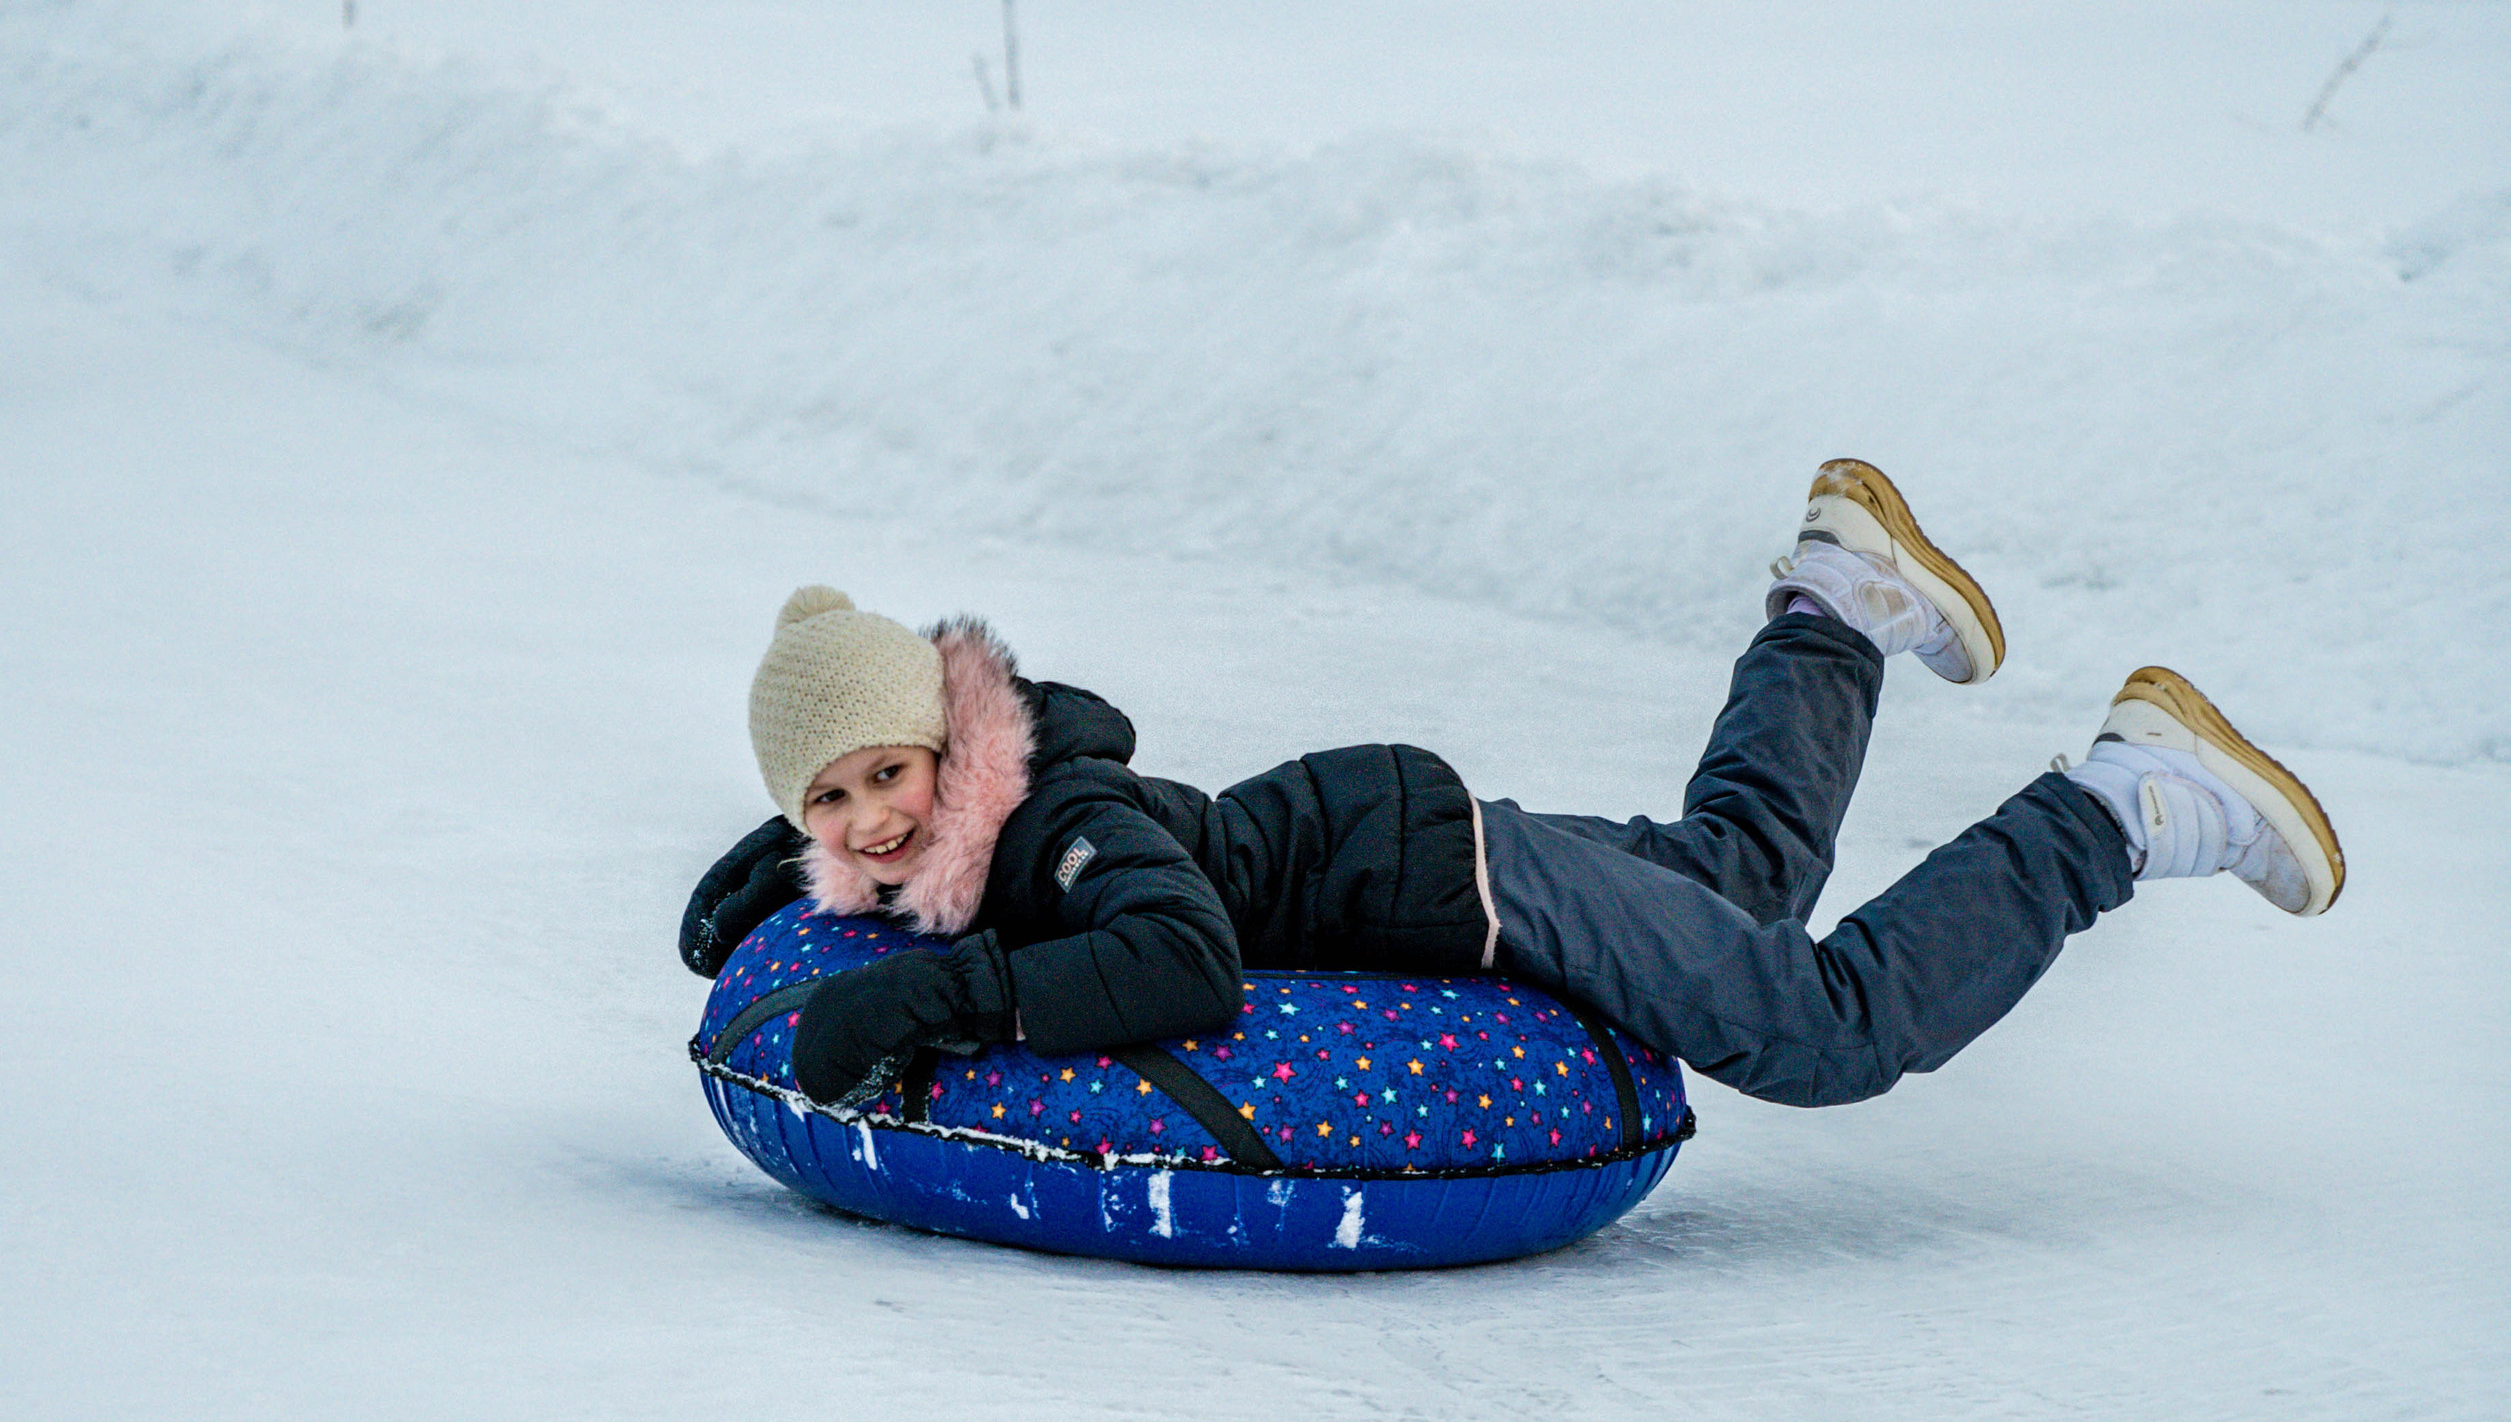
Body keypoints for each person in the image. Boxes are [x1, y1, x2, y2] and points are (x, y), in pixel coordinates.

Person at [679, 460, 2343, 1119]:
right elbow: (878, 841)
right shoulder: (948, 817)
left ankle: (2117, 800)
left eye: (886, 775)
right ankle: (1837, 608)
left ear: (951, 747)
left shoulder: (1060, 826)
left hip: (1454, 884)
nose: (867, 823)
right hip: (1428, 845)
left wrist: (950, 1004)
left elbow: (1179, 962)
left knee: (1822, 1028)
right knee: (1740, 874)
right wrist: (782, 872)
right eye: (826, 804)